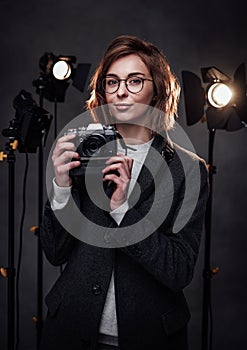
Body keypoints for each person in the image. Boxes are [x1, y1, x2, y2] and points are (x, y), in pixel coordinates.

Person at [39, 35, 209, 350]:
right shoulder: (83, 150)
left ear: (157, 88)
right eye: (112, 82)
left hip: (151, 335)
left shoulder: (187, 169)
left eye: (134, 81)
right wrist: (61, 188)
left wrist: (123, 212)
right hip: (70, 330)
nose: (120, 92)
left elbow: (179, 270)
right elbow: (55, 252)